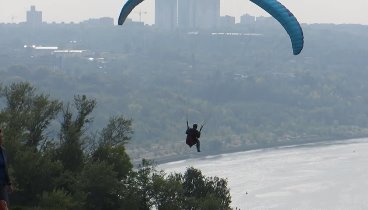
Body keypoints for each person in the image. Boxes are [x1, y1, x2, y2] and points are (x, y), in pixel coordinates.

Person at [0, 129, 12, 209]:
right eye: (1, 137)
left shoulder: (3, 151)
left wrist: (9, 183)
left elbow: (5, 168)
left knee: (4, 206)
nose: (2, 138)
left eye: (2, 137)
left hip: (2, 185)